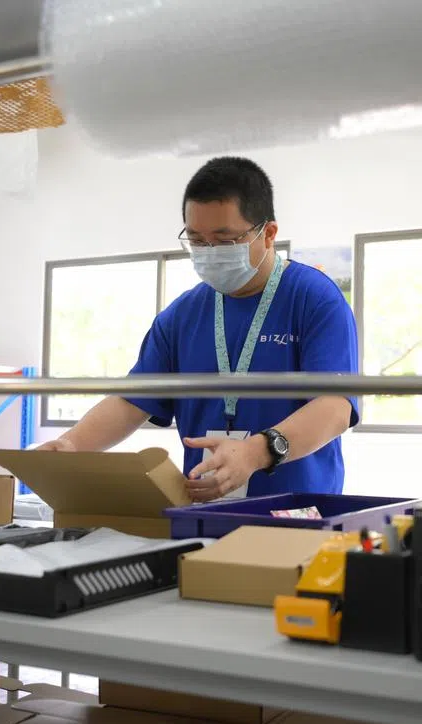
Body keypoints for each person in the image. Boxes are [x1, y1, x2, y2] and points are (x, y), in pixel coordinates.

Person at [39, 157, 360, 501]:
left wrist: (255, 452)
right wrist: (72, 444)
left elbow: (335, 408)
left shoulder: (313, 299)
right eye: (196, 240)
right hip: (204, 509)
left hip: (295, 512)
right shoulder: (182, 315)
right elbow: (132, 400)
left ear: (268, 234)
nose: (209, 253)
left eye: (224, 241)